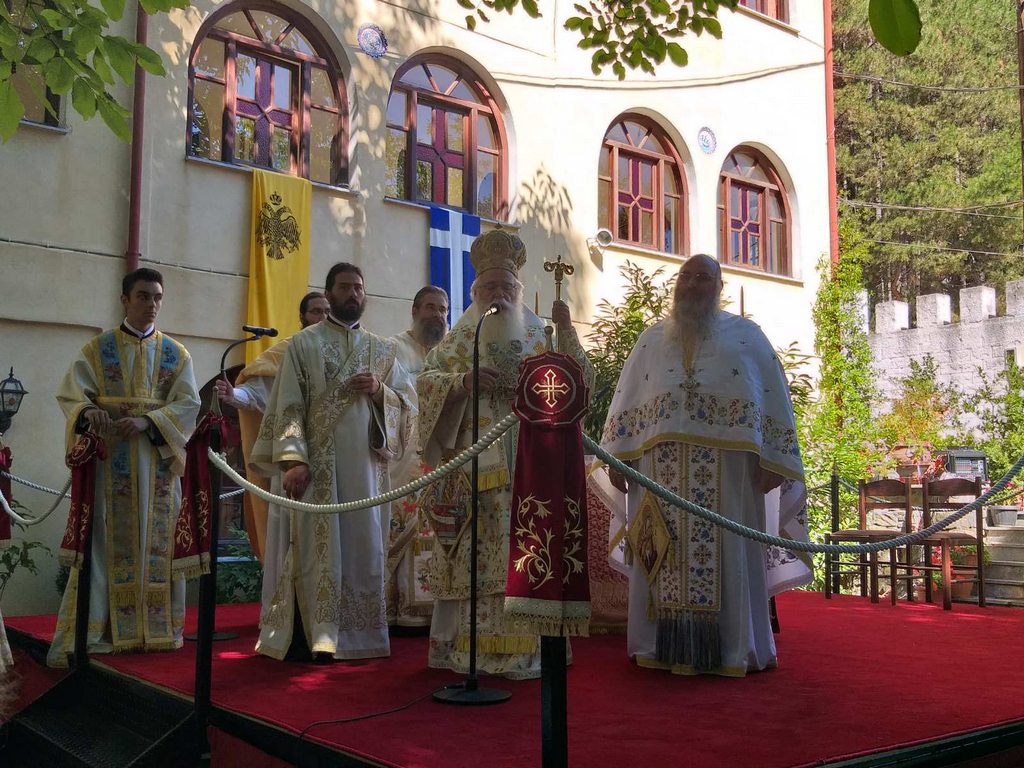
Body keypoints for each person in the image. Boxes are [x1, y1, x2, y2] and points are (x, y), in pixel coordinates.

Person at [600, 254, 810, 678]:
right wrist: (617, 458)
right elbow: (627, 403)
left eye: (703, 277)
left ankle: (731, 648)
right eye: (687, 276)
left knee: (731, 555)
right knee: (659, 554)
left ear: (719, 286)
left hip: (730, 478)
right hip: (656, 475)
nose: (693, 284)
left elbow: (773, 400)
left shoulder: (747, 337)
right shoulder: (650, 340)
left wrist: (775, 459)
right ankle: (659, 644)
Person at [417, 230, 593, 680]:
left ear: (518, 290)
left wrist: (568, 331)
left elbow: (581, 383)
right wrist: (463, 383)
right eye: (489, 287)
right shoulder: (461, 337)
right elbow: (426, 383)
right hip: (473, 464)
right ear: (476, 292)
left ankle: (529, 649)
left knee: (529, 547)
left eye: (506, 286)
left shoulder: (541, 333)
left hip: (531, 464)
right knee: (473, 553)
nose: (498, 294)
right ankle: (469, 649)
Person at [250, 263, 416, 661]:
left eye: (358, 287)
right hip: (318, 469)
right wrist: (294, 460)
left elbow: (409, 405)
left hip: (367, 473)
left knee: (364, 549)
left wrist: (380, 391)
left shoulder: (383, 350)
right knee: (315, 550)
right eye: (344, 287)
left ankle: (361, 637)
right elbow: (289, 405)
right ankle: (317, 636)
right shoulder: (303, 345)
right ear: (328, 294)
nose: (353, 293)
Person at [49, 268, 200, 665]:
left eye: (157, 297)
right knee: (104, 543)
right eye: (143, 296)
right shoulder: (97, 350)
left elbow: (189, 404)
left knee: (158, 544)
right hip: (110, 465)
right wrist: (88, 412)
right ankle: (101, 629)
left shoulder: (177, 354)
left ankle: (157, 630)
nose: (152, 304)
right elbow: (70, 395)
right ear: (125, 300)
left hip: (157, 464)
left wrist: (148, 422)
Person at [215, 291, 330, 563]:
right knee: (290, 530)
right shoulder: (287, 351)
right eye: (316, 311)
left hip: (333, 458)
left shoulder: (346, 350)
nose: (323, 317)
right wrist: (233, 395)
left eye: (327, 311)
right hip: (293, 455)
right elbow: (258, 392)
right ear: (302, 317)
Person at [386, 286, 450, 628]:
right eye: (430, 308)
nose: (437, 315)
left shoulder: (452, 352)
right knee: (402, 525)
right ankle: (400, 610)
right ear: (414, 311)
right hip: (405, 451)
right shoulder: (393, 349)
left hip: (444, 449)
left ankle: (436, 607)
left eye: (443, 309)